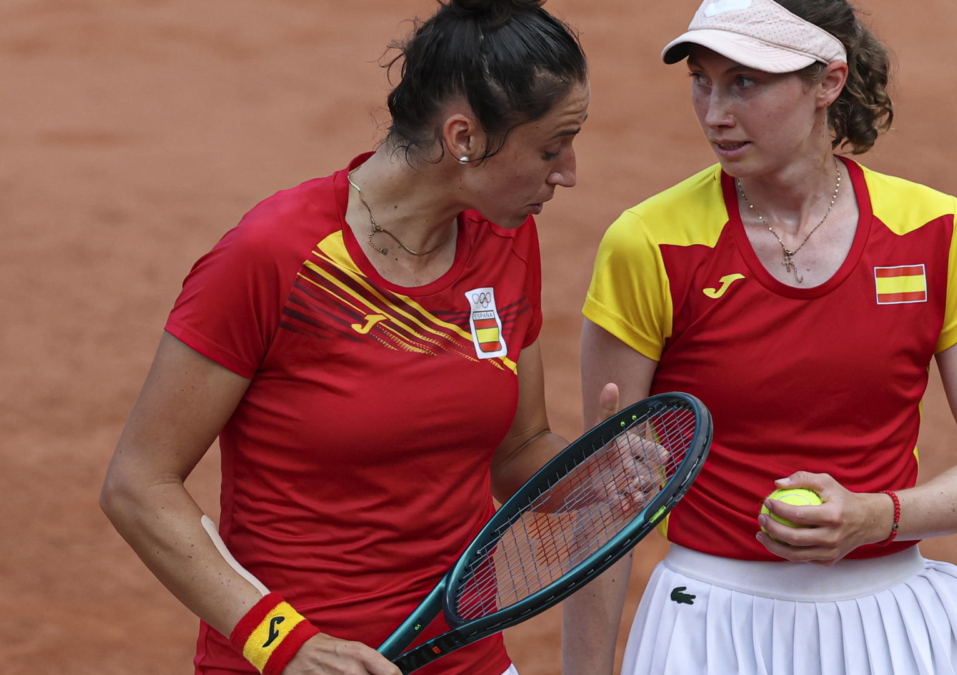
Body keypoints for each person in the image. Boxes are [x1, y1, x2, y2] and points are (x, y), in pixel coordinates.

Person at [99, 1, 591, 674]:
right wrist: (284, 643)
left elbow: (519, 450)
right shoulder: (273, 255)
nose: (568, 172)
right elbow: (138, 482)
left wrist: (605, 474)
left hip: (464, 656)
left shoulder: (506, 239)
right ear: (463, 137)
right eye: (552, 146)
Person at [563, 0, 957, 673]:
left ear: (827, 83)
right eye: (702, 79)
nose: (715, 111)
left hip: (891, 620)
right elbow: (609, 503)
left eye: (744, 82)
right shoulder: (650, 244)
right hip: (712, 625)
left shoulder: (934, 231)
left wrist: (877, 516)